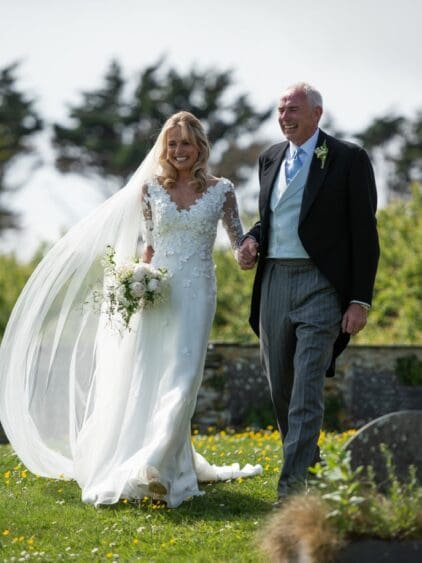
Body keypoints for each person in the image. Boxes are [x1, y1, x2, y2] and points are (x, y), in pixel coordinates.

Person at [0, 111, 261, 508]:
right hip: (158, 295)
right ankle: (157, 458)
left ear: (200, 147)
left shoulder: (222, 190)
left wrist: (248, 251)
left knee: (185, 378)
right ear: (164, 147)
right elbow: (150, 247)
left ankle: (152, 464)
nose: (178, 151)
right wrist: (138, 278)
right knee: (152, 376)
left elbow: (238, 240)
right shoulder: (150, 191)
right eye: (171, 144)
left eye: (185, 144)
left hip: (198, 293)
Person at [237, 83, 379, 505]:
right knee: (281, 384)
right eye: (280, 110)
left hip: (321, 284)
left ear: (317, 113)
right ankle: (308, 460)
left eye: (293, 109)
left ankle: (292, 489)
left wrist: (359, 298)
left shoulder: (348, 159)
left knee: (306, 387)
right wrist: (251, 239)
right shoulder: (269, 159)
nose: (284, 116)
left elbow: (364, 234)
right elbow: (270, 218)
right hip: (275, 280)